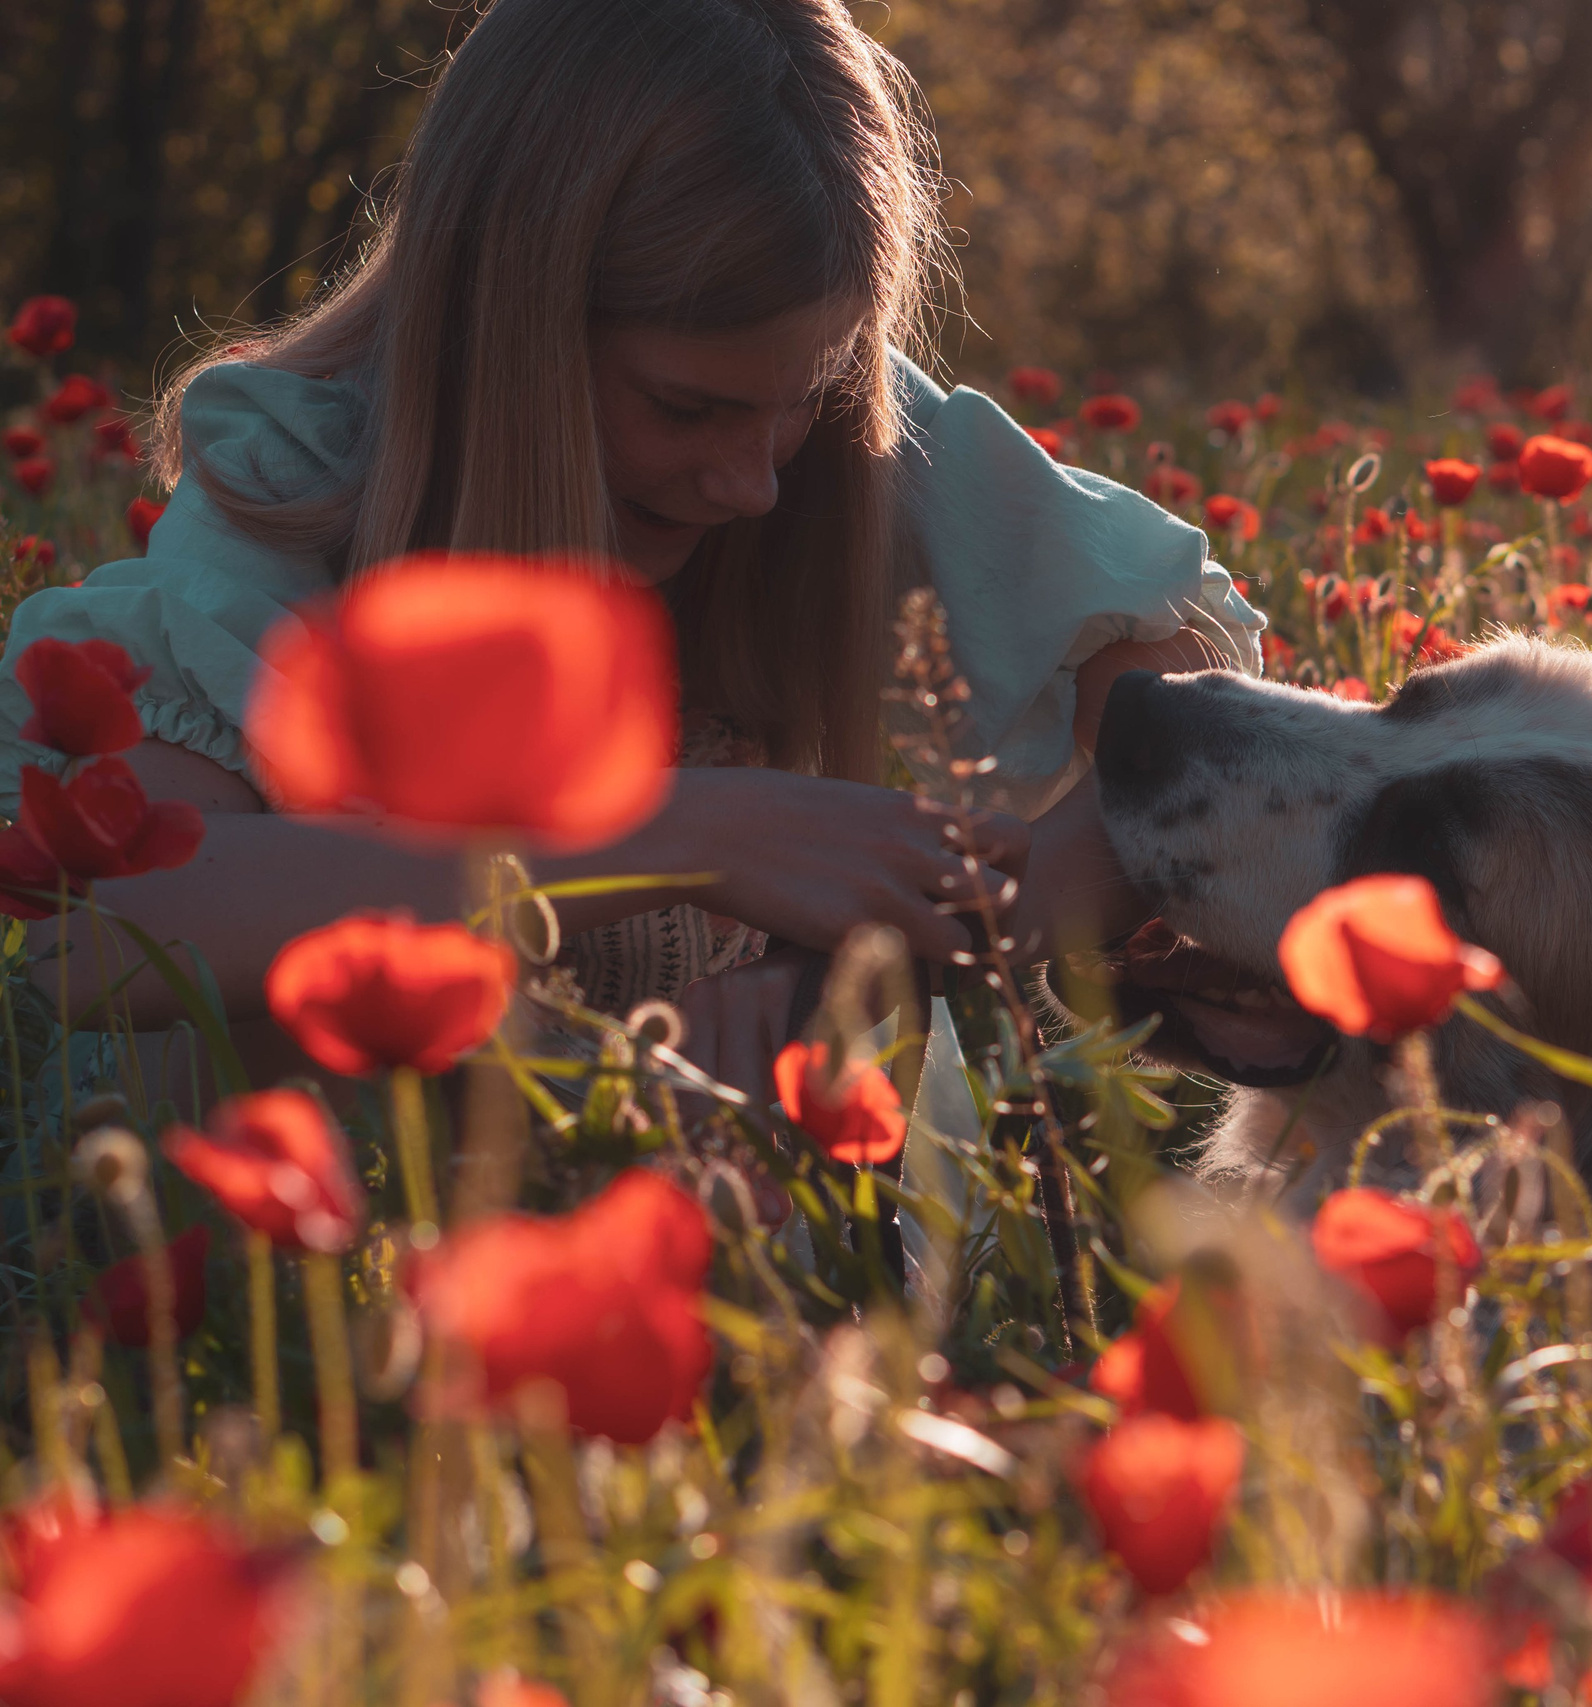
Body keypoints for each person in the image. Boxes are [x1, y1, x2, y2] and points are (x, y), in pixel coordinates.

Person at [0, 0, 1260, 1109]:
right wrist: (673, 835)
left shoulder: (855, 449)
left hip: (728, 1241)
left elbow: (1192, 706)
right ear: (511, 335)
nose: (756, 481)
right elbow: (106, 927)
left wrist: (934, 935)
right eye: (689, 409)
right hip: (319, 1272)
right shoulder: (311, 479)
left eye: (807, 396)